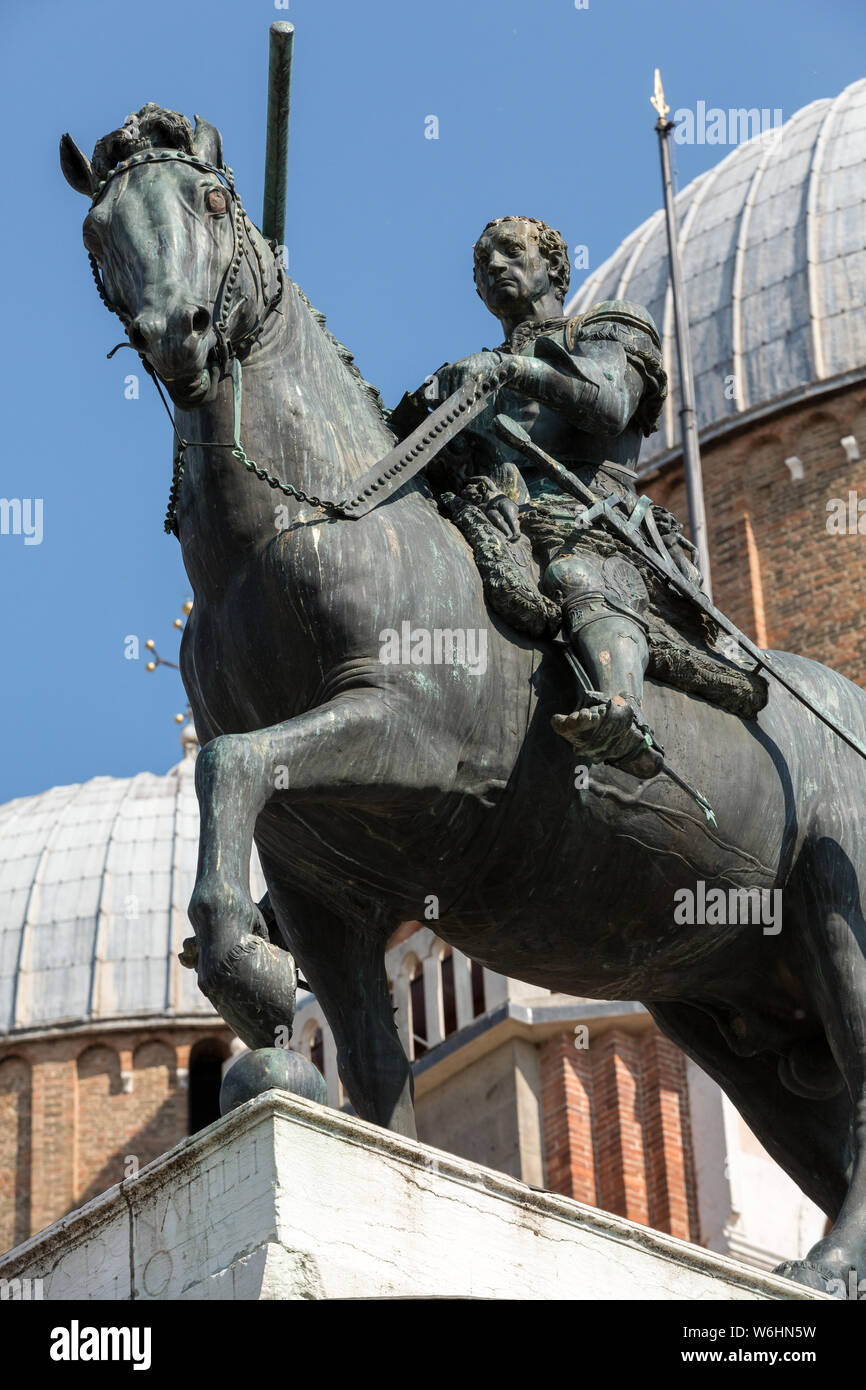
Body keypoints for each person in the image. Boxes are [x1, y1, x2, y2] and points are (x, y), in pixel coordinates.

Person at [429, 215, 701, 780]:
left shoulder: (611, 327)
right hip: (498, 513)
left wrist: (510, 369)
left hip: (592, 517)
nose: (494, 266)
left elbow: (607, 403)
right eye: (482, 264)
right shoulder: (466, 375)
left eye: (509, 252)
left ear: (554, 265)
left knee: (574, 572)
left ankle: (623, 714)